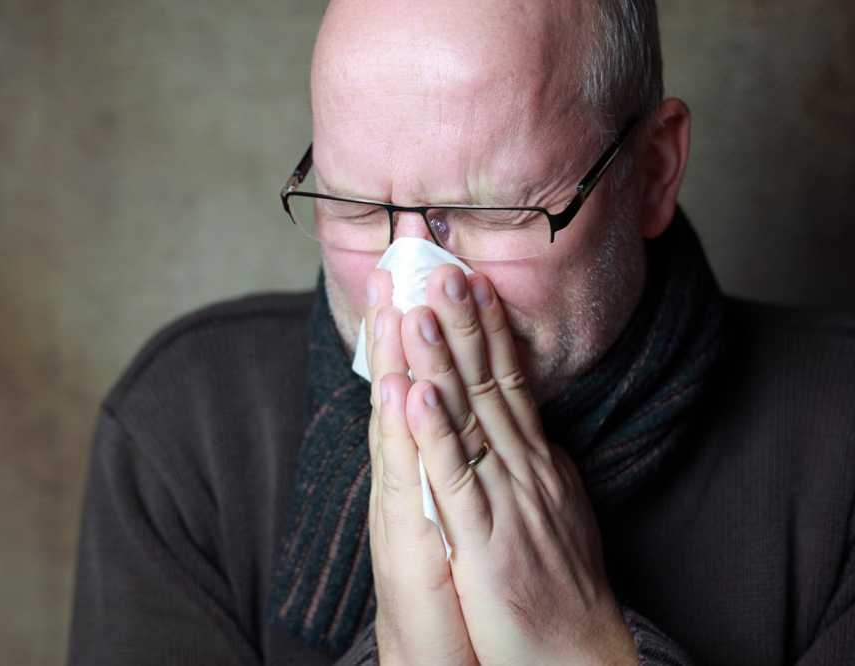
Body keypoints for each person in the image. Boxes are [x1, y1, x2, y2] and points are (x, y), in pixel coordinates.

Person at [66, 0, 855, 664]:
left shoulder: (839, 445)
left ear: (650, 171)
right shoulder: (185, 431)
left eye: (491, 210)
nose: (415, 286)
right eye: (355, 206)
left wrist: (584, 647)